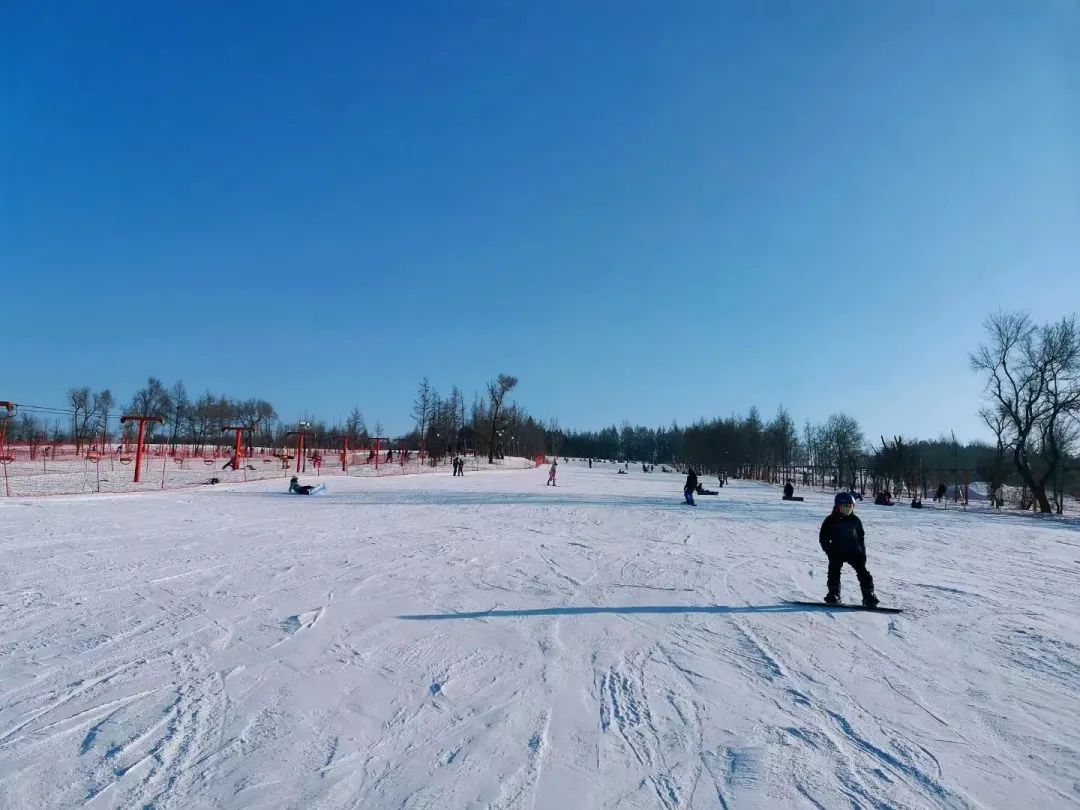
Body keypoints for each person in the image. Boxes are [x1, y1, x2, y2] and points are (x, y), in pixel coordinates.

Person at [819, 492, 878, 606]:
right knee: (833, 572)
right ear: (838, 507)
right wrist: (829, 551)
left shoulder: (855, 520)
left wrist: (862, 553)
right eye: (844, 507)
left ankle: (868, 595)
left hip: (854, 552)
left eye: (850, 507)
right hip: (837, 552)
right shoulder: (830, 520)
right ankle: (834, 594)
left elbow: (860, 537)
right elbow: (823, 538)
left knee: (863, 573)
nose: (847, 510)